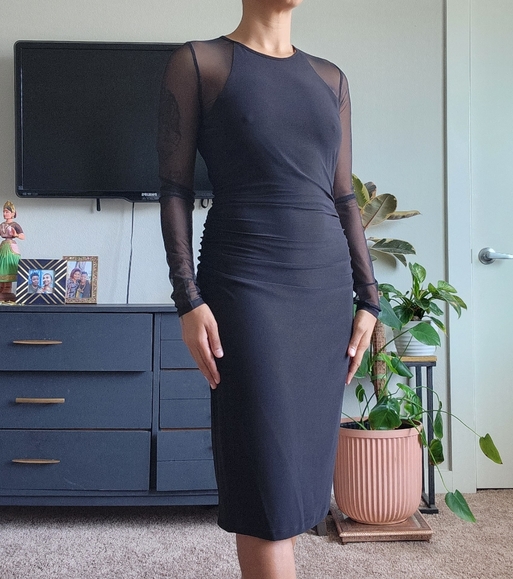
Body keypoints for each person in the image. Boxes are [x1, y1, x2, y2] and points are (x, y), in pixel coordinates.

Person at [158, 1, 379, 577]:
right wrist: (188, 298)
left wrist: (369, 298)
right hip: (246, 284)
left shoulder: (330, 78)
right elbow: (174, 189)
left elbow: (343, 196)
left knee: (297, 485)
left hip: (323, 291)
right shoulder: (200, 63)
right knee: (264, 484)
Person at [0, 201, 25, 301]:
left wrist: (16, 235)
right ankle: (1, 288)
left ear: (12, 213)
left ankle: (7, 289)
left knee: (8, 267)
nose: (5, 214)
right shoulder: (2, 225)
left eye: (7, 212)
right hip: (3, 247)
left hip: (11, 248)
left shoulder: (15, 225)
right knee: (1, 266)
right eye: (4, 211)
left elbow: (22, 236)